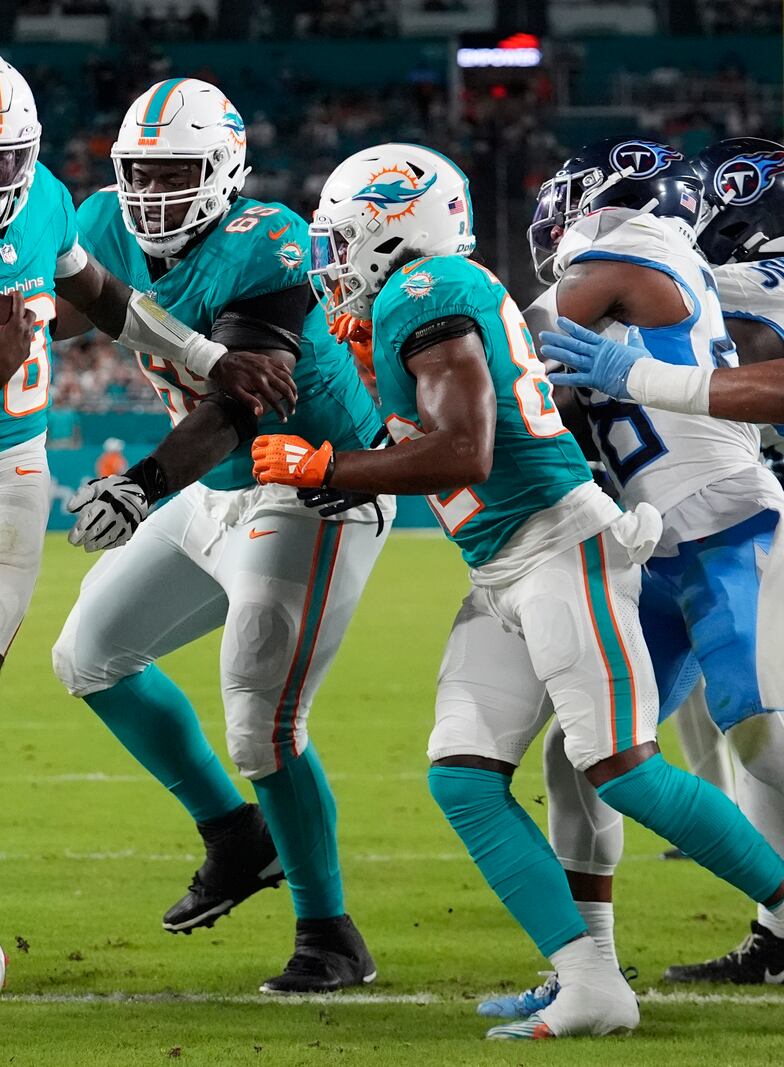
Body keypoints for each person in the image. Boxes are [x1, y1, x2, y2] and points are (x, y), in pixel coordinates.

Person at [254, 142, 784, 1040]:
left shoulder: (455, 288)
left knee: (648, 764)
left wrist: (330, 459)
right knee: (480, 773)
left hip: (596, 542)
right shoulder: (415, 305)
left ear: (394, 233)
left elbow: (470, 441)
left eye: (344, 238)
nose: (330, 260)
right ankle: (588, 976)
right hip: (517, 562)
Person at [0, 49, 296, 997]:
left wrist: (210, 356)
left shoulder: (44, 199)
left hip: (9, 470)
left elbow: (110, 304)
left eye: (10, 159)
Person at [50, 78, 390, 992]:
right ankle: (235, 836)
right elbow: (54, 314)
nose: (153, 193)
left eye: (178, 172)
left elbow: (240, 400)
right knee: (87, 654)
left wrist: (144, 482)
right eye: (139, 172)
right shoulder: (101, 223)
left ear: (226, 172)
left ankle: (329, 931)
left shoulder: (267, 238)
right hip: (218, 495)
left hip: (313, 485)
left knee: (261, 716)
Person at [537, 136, 784, 983]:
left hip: (729, 519)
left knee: (761, 733)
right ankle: (590, 970)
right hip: (664, 539)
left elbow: (516, 334)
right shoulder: (691, 271)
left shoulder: (635, 241)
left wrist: (423, 306)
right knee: (585, 750)